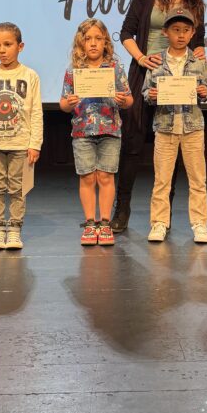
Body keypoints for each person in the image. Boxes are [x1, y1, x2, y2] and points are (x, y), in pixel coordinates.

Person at [111, 0, 207, 232]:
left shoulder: (195, 3)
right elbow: (126, 33)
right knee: (133, 143)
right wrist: (141, 58)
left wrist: (200, 51)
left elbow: (198, 41)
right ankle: (122, 209)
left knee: (173, 142)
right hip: (145, 74)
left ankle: (165, 216)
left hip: (178, 78)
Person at [60, 19, 132, 247]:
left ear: (105, 42)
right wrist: (70, 103)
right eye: (88, 39)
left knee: (106, 176)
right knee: (88, 177)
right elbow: (63, 103)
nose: (93, 43)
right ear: (80, 43)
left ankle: (105, 223)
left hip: (110, 130)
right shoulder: (74, 70)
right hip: (82, 131)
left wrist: (122, 100)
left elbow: (129, 99)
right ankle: (91, 223)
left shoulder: (114, 68)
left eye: (98, 39)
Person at [142, 9, 207, 244]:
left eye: (185, 30)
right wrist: (151, 95)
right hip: (165, 127)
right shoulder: (156, 61)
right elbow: (146, 92)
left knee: (198, 179)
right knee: (162, 180)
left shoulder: (199, 62)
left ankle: (199, 224)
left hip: (193, 127)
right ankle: (159, 223)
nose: (181, 35)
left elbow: (206, 91)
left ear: (192, 33)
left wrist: (203, 92)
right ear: (165, 32)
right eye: (176, 30)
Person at [0, 22, 42, 251]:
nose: (2, 50)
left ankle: (14, 229)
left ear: (20, 46)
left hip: (20, 142)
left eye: (7, 44)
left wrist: (35, 143)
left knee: (17, 187)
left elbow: (36, 111)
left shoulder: (30, 75)